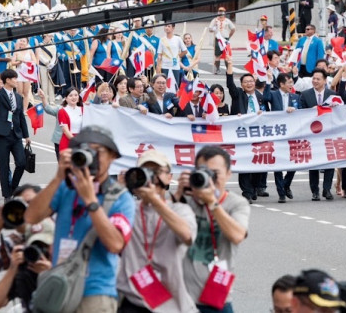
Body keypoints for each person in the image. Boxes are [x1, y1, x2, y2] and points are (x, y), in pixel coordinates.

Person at [25, 125, 136, 312]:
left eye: (97, 151)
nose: (91, 156)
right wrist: (58, 177)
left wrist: (91, 201)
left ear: (112, 156)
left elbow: (116, 244)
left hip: (96, 292)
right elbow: (31, 217)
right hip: (59, 286)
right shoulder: (66, 187)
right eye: (85, 150)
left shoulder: (120, 198)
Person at [116, 149, 197, 313]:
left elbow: (187, 235)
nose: (150, 177)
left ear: (169, 177)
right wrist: (118, 190)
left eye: (156, 172)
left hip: (172, 303)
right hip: (132, 300)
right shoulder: (127, 208)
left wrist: (155, 200)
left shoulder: (180, 210)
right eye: (145, 171)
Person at [179, 145, 250, 313]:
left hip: (217, 298)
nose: (209, 178)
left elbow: (237, 235)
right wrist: (178, 195)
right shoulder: (184, 200)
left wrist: (212, 202)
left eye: (215, 173)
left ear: (228, 174)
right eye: (204, 172)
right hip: (181, 298)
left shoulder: (236, 203)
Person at [226, 66, 267, 202]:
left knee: (257, 162)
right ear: (242, 85)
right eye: (246, 82)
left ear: (255, 82)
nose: (249, 84)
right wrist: (229, 67)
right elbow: (230, 85)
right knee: (245, 162)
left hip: (258, 134)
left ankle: (254, 187)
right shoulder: (238, 94)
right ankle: (247, 192)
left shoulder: (260, 97)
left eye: (251, 81)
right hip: (242, 135)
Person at [299, 69, 338, 201]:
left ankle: (327, 189)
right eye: (313, 78)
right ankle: (314, 191)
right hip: (312, 134)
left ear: (325, 81)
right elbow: (300, 113)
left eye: (318, 79)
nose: (315, 81)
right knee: (314, 163)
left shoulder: (332, 95)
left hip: (329, 133)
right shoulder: (305, 95)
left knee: (329, 161)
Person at [0, 68, 31, 200]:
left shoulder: (18, 97)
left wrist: (26, 135)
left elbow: (21, 117)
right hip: (2, 135)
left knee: (21, 163)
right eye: (14, 78)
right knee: (4, 166)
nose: (16, 81)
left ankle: (14, 188)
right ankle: (7, 195)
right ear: (7, 80)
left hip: (16, 135)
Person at [266, 73, 299, 203]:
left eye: (292, 82)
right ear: (281, 84)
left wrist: (295, 109)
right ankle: (281, 192)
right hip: (278, 133)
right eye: (289, 82)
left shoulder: (295, 97)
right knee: (278, 163)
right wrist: (268, 82)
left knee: (295, 161)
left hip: (292, 133)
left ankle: (286, 184)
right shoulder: (274, 94)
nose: (291, 85)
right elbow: (265, 97)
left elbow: (302, 112)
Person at [208, 8, 235, 74]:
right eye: (220, 11)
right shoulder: (215, 20)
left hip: (225, 39)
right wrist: (213, 29)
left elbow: (233, 28)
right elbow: (210, 29)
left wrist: (229, 36)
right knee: (217, 55)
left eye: (222, 11)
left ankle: (228, 69)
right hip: (218, 39)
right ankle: (217, 69)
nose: (221, 13)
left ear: (224, 12)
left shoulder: (227, 20)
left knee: (226, 55)